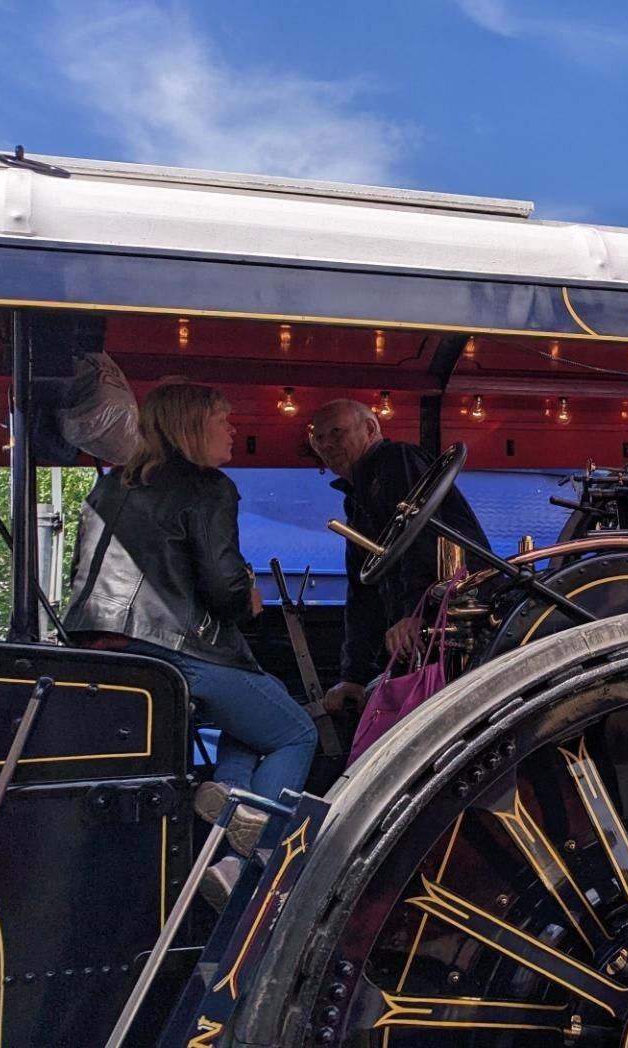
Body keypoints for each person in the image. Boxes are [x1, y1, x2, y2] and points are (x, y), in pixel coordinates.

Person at [67, 381, 315, 905]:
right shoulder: (207, 486)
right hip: (174, 649)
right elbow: (223, 586)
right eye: (223, 420)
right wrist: (248, 594)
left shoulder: (107, 488)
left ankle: (229, 809)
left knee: (257, 711)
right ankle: (251, 866)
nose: (233, 430)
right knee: (295, 732)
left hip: (102, 651)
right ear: (193, 425)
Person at [308, 399, 490, 713]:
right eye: (319, 438)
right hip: (425, 629)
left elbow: (422, 536)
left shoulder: (396, 461)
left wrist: (416, 613)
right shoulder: (356, 500)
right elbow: (362, 592)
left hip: (458, 619)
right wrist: (353, 675)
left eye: (336, 433)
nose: (326, 444)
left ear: (370, 428)